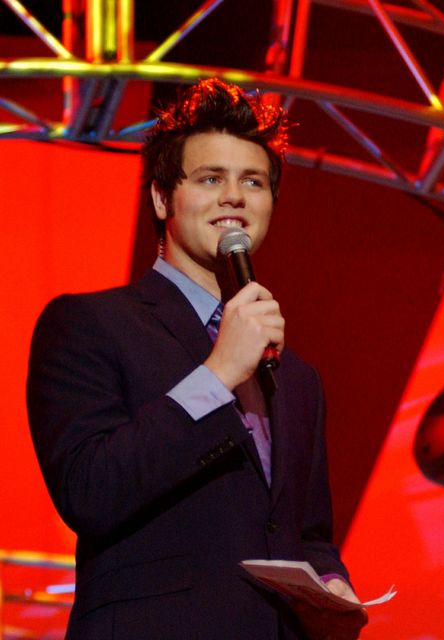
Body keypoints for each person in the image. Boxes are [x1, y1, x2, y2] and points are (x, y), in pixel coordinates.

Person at [27, 78, 367, 640]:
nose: (234, 197)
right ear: (163, 198)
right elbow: (88, 488)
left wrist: (330, 581)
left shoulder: (298, 376)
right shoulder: (91, 324)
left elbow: (307, 530)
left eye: (252, 182)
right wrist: (217, 375)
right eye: (211, 178)